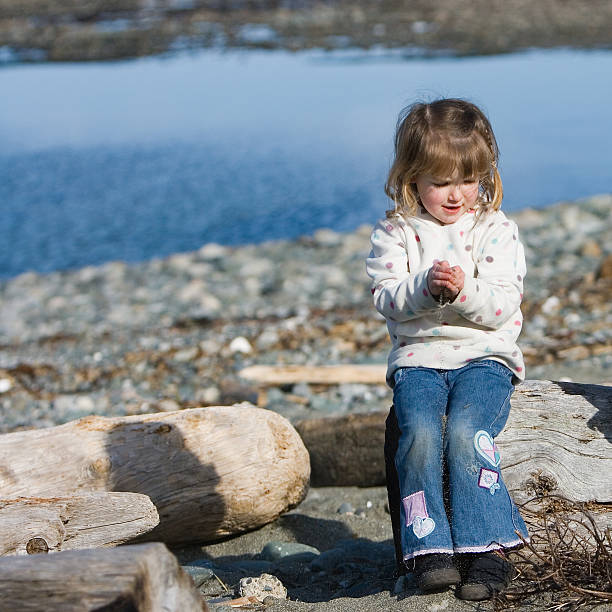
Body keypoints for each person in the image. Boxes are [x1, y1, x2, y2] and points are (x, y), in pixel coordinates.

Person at [366, 98, 529, 601]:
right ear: (411, 179)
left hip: (484, 357)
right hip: (418, 362)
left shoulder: (495, 229)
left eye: (467, 179)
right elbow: (387, 300)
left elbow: (503, 306)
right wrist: (424, 287)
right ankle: (427, 548)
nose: (456, 194)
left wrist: (463, 291)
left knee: (466, 430)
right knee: (416, 432)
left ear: (485, 173)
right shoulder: (395, 233)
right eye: (440, 182)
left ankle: (488, 546)